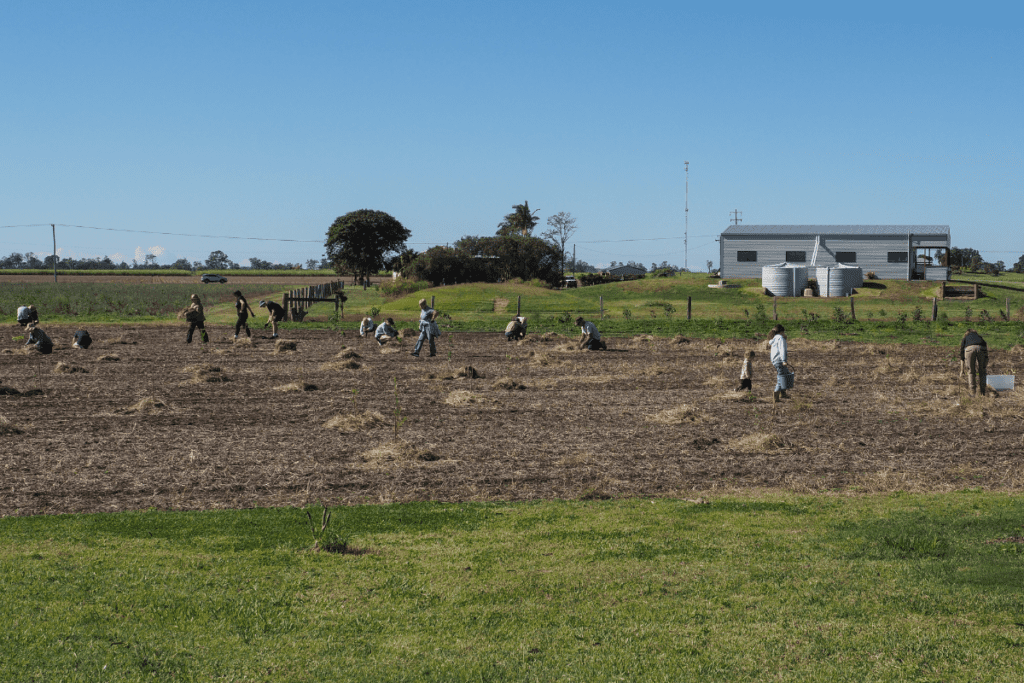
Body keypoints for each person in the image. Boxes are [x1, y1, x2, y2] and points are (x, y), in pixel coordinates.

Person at [959, 328, 988, 396]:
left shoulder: (965, 338)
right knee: (982, 371)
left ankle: (973, 392)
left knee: (971, 371)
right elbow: (985, 346)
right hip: (981, 348)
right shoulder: (979, 337)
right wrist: (985, 363)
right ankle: (983, 392)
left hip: (969, 349)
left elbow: (962, 355)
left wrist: (962, 370)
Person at [768, 324, 792, 403]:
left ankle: (783, 393)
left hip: (775, 360)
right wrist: (784, 360)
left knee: (786, 374)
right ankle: (776, 395)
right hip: (780, 360)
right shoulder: (781, 339)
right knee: (782, 376)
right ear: (782, 332)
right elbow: (782, 350)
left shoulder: (774, 339)